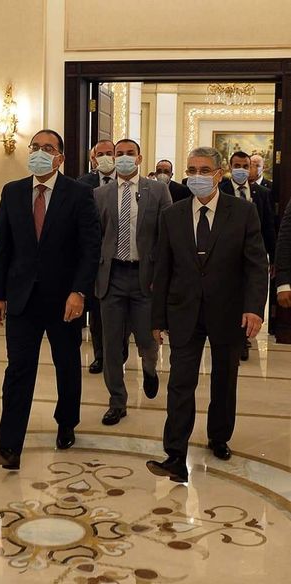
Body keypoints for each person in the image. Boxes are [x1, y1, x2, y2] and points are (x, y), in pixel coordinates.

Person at [147, 146, 268, 483]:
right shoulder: (172, 215)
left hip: (228, 311)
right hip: (183, 310)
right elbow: (162, 270)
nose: (196, 176)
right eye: (191, 170)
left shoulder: (242, 212)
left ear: (218, 174)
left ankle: (219, 436)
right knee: (180, 382)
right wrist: (157, 319)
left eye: (203, 170)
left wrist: (254, 308)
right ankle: (175, 454)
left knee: (224, 380)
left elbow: (256, 265)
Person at [0, 129, 101, 471]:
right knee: (18, 370)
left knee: (66, 365)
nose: (39, 152)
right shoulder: (12, 191)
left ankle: (66, 422)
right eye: (35, 147)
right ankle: (10, 446)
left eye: (47, 148)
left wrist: (79, 292)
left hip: (64, 299)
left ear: (60, 158)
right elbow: (3, 246)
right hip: (21, 299)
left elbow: (90, 248)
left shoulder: (78, 194)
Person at [95, 139, 172, 426]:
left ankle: (150, 370)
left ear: (139, 159)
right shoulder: (100, 194)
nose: (124, 158)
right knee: (112, 345)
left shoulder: (158, 190)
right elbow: (94, 237)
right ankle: (117, 401)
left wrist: (161, 278)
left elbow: (167, 236)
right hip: (112, 276)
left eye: (130, 154)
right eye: (120, 154)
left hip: (145, 277)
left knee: (147, 341)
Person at [78, 139, 128, 374]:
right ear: (93, 159)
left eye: (110, 153)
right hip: (95, 259)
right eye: (101, 154)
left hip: (122, 258)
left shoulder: (127, 181)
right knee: (98, 312)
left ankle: (120, 353)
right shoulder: (82, 184)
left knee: (122, 313)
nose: (106, 157)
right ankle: (100, 355)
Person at [220, 151, 275, 360]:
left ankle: (242, 340)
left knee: (247, 295)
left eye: (245, 166)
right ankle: (228, 335)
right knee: (229, 297)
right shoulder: (222, 189)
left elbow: (268, 226)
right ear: (230, 167)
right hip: (226, 254)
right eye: (237, 166)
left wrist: (273, 257)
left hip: (251, 254)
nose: (241, 170)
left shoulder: (262, 193)